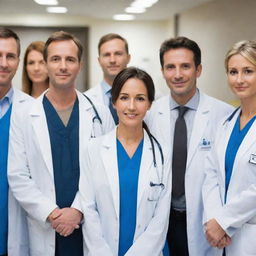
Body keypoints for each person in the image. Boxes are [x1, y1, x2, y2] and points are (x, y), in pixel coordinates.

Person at [8, 31, 114, 256]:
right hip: (46, 225)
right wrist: (52, 214)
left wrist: (76, 210)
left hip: (87, 223)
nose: (63, 66)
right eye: (55, 59)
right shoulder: (24, 114)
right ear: (46, 64)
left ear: (80, 65)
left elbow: (106, 172)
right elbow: (17, 175)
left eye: (70, 59)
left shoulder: (100, 113)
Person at [145, 36, 234, 256]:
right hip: (161, 217)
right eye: (170, 67)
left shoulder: (223, 115)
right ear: (163, 71)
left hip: (204, 218)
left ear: (199, 69)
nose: (177, 74)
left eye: (185, 66)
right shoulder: (150, 114)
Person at [79, 67, 171, 256]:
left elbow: (160, 220)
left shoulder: (162, 153)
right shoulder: (93, 149)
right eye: (124, 97)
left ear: (149, 104)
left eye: (140, 98)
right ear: (113, 102)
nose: (131, 106)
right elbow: (89, 210)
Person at [203, 40, 256, 256]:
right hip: (221, 238)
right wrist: (215, 220)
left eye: (248, 71)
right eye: (233, 72)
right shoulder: (226, 123)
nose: (239, 79)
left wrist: (224, 221)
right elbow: (211, 175)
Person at [0, 27, 31, 256]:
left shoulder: (32, 110)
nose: (4, 63)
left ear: (18, 61)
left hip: (14, 225)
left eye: (10, 56)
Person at [84, 33, 131, 124]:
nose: (112, 60)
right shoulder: (85, 100)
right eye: (106, 55)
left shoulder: (150, 97)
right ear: (99, 60)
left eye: (118, 54)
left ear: (128, 58)